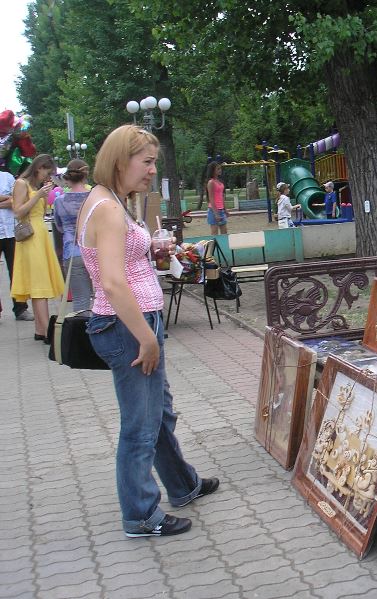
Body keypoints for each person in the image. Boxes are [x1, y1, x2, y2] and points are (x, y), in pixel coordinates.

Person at [76, 125, 219, 537]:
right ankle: (140, 514)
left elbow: (124, 265)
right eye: (148, 162)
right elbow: (113, 282)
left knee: (160, 414)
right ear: (122, 160)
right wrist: (146, 337)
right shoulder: (106, 207)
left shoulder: (113, 201)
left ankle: (182, 484)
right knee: (140, 426)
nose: (152, 171)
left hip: (134, 323)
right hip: (128, 327)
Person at [11, 154, 65, 341]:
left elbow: (41, 211)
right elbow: (18, 212)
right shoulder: (22, 184)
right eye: (46, 172)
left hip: (40, 235)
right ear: (38, 168)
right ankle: (45, 329)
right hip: (31, 236)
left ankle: (40, 329)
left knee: (40, 283)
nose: (46, 176)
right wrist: (39, 196)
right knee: (39, 284)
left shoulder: (36, 186)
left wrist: (43, 194)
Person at [53, 159, 94, 311]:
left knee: (80, 300)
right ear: (86, 174)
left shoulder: (59, 201)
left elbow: (60, 227)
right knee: (104, 298)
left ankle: (81, 333)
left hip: (72, 252)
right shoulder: (94, 197)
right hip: (96, 251)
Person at [0, 169, 33, 321]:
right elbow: (12, 199)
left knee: (16, 271)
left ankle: (20, 308)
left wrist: (8, 199)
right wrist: (8, 199)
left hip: (12, 233)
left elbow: (18, 200)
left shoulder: (6, 177)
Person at [206, 161, 227, 235]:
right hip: (213, 210)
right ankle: (213, 246)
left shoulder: (220, 182)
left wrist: (225, 210)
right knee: (215, 233)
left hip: (221, 210)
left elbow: (221, 197)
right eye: (218, 169)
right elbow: (211, 198)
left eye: (220, 169)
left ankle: (223, 246)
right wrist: (216, 214)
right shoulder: (211, 182)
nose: (220, 170)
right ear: (213, 170)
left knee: (224, 232)